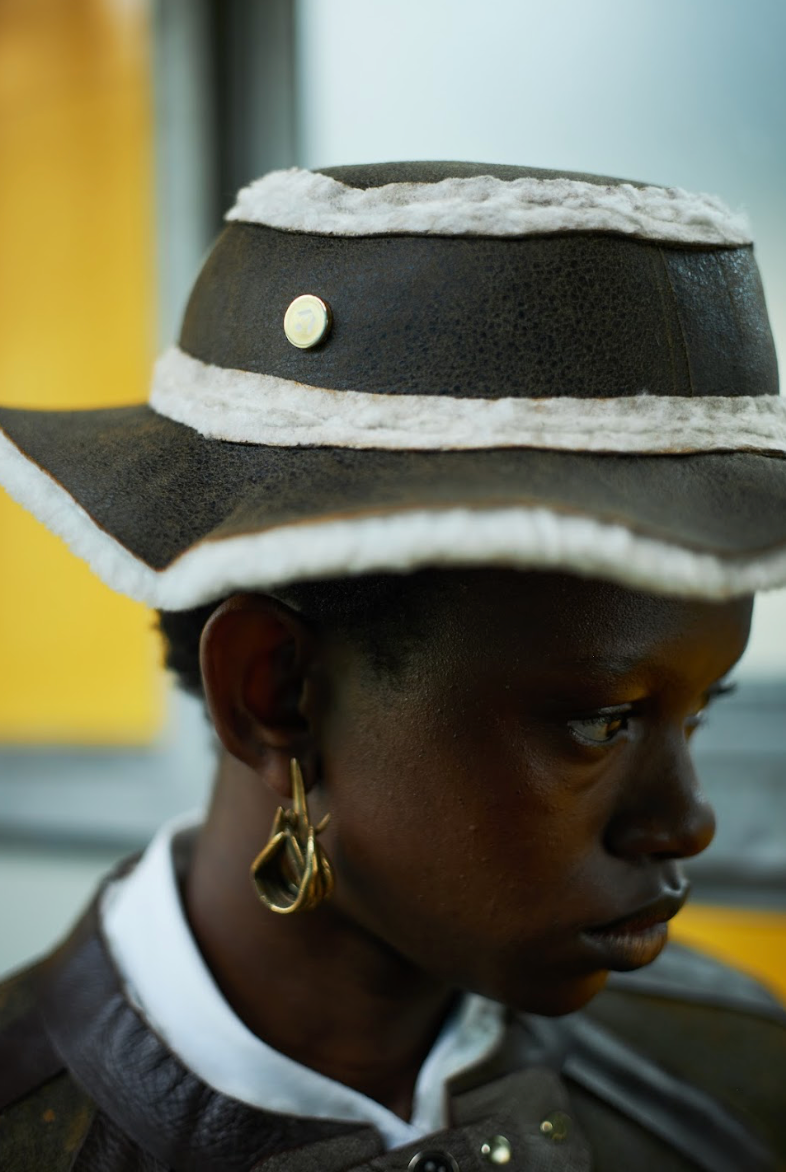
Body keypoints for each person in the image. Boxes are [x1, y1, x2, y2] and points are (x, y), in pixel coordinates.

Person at [0, 161, 784, 1171]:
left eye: (699, 713)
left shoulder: (743, 1085)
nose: (685, 820)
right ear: (276, 690)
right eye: (602, 719)